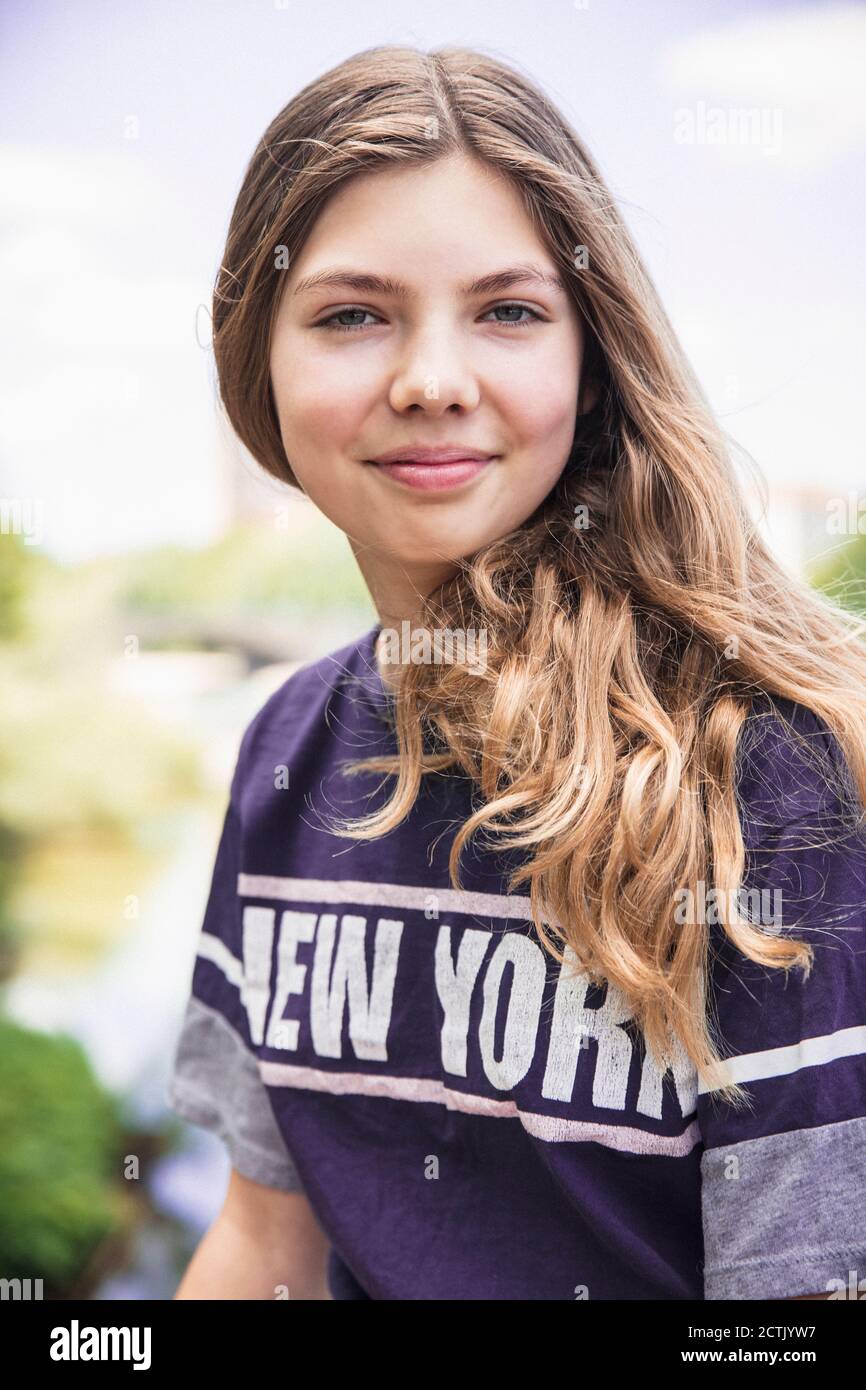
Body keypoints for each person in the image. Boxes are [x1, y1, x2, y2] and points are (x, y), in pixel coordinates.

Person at [167, 44, 866, 1301]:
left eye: (507, 311)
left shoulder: (756, 773)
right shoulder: (285, 744)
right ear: (252, 363)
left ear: (589, 360)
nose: (431, 381)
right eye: (349, 314)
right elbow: (263, 1247)